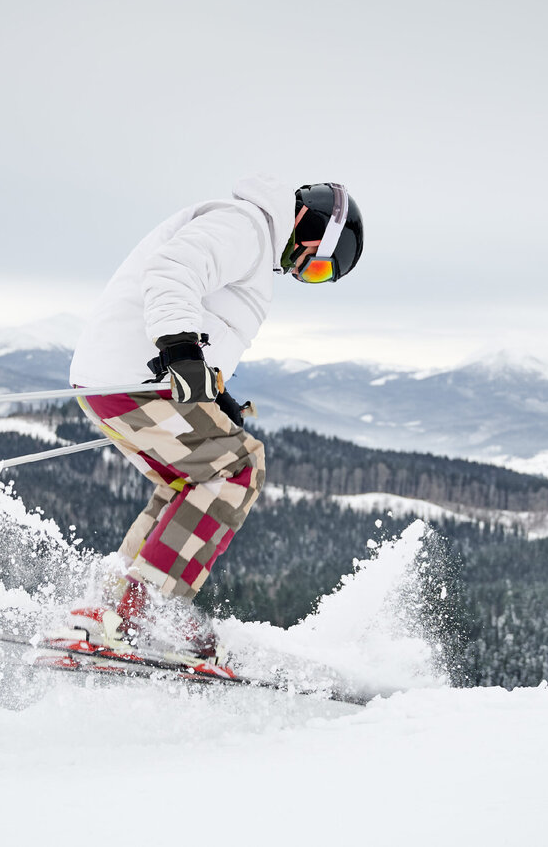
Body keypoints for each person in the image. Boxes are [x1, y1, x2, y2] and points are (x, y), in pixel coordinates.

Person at [65, 174, 364, 667]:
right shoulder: (245, 227)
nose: (301, 275)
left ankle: (114, 607)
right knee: (238, 468)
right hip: (134, 376)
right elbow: (173, 270)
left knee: (191, 480)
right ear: (313, 232)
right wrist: (179, 350)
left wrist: (213, 388)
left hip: (121, 376)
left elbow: (208, 321)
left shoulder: (249, 238)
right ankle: (139, 613)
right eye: (316, 269)